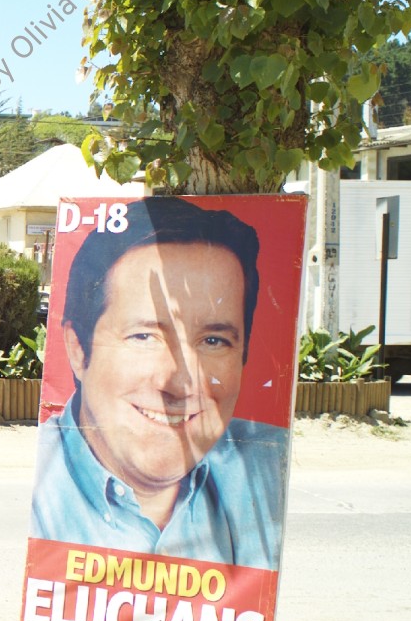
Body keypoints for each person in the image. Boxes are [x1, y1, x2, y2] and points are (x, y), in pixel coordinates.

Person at [30, 196, 289, 571]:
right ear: (77, 350)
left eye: (213, 341)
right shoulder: (44, 495)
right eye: (144, 337)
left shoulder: (263, 466)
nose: (176, 381)